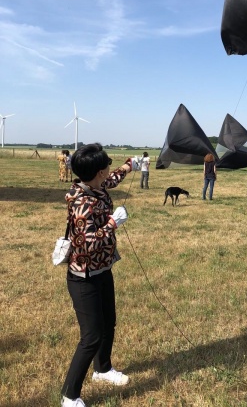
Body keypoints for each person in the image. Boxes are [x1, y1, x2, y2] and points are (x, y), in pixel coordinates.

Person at [60, 143, 139, 407]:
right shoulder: (82, 202)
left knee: (109, 324)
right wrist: (113, 223)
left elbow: (112, 178)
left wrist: (130, 164)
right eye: (106, 165)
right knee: (91, 336)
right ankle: (69, 396)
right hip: (84, 277)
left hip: (103, 270)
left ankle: (102, 369)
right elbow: (87, 243)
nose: (109, 169)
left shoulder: (95, 185)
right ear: (97, 172)